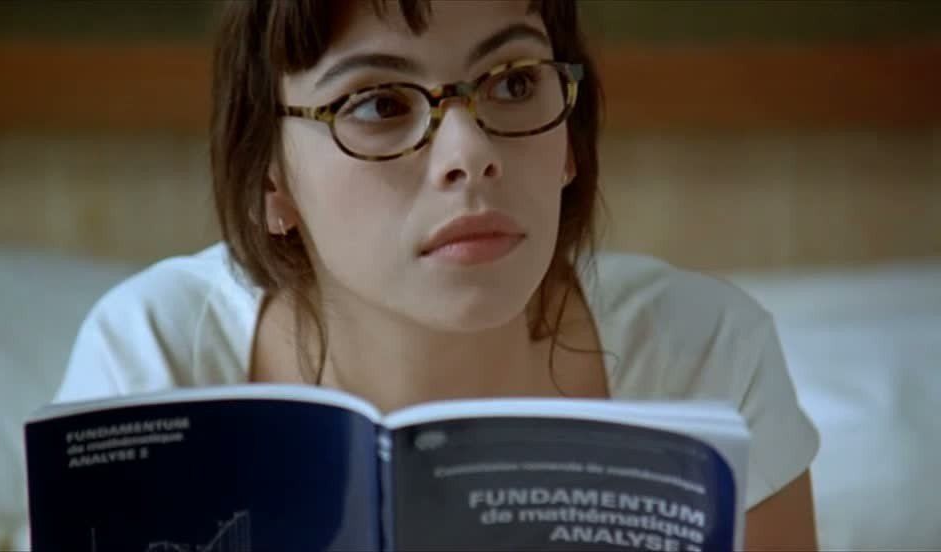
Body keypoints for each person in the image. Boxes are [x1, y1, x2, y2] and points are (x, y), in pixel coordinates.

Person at [55, 0, 819, 548]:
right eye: (380, 103)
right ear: (270, 180)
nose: (469, 153)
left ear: (569, 142)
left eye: (514, 83)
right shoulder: (152, 361)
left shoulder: (700, 354)